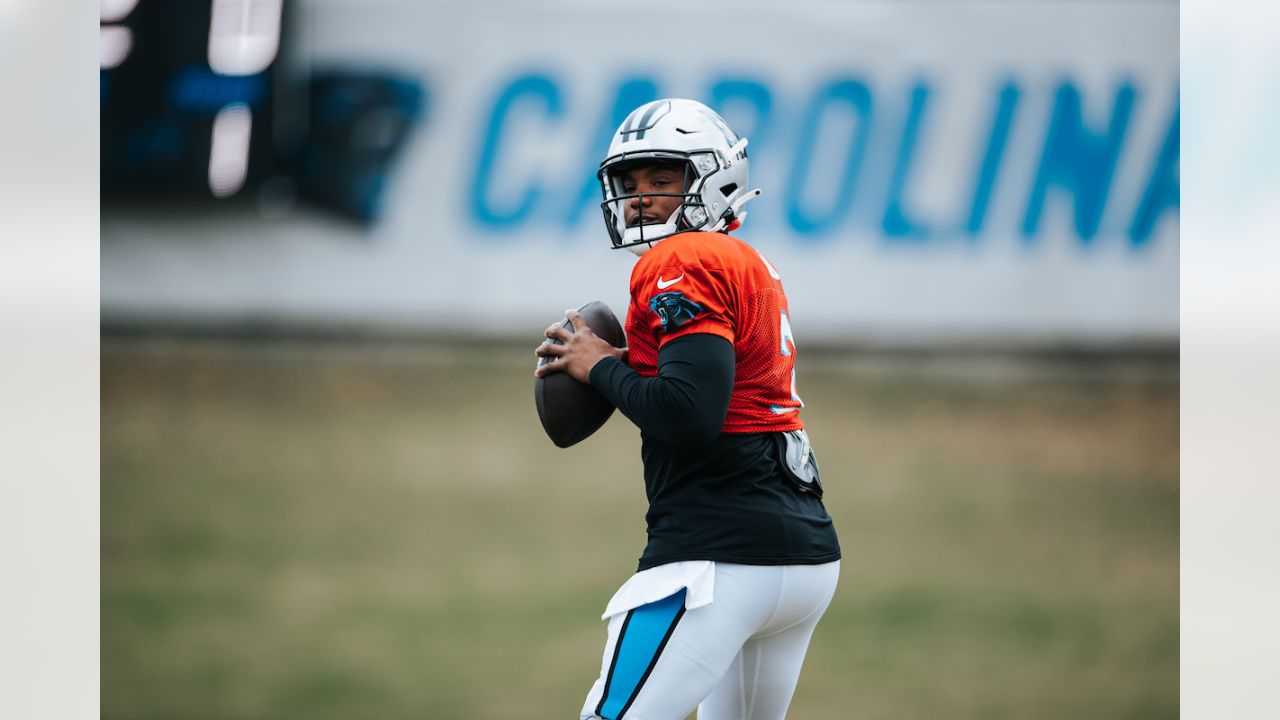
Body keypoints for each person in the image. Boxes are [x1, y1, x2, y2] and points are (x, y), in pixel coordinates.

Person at [534, 98, 841, 720]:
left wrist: (599, 365)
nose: (641, 196)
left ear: (712, 178)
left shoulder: (682, 258)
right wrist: (631, 365)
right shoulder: (745, 260)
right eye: (631, 182)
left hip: (715, 558)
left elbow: (689, 414)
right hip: (801, 553)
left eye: (662, 180)